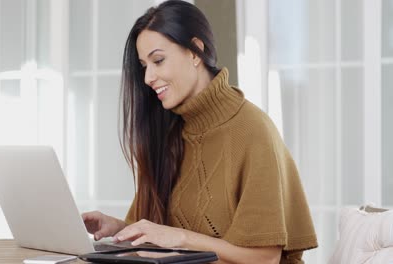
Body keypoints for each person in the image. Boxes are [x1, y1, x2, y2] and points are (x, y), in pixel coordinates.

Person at [82, 1, 318, 263]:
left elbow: (265, 258)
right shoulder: (169, 133)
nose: (148, 77)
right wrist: (118, 229)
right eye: (144, 66)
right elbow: (158, 234)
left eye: (158, 60)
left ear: (196, 51)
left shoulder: (252, 131)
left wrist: (182, 238)